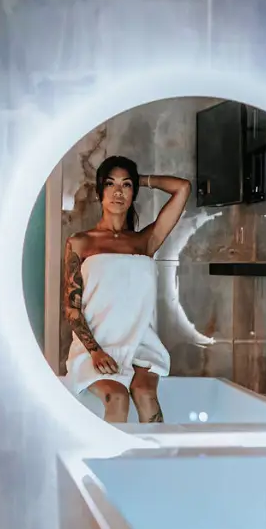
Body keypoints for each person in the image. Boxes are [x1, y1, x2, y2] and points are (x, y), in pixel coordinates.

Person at [63, 156, 191, 423]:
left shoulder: (145, 241)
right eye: (110, 184)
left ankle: (156, 451)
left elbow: (182, 188)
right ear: (99, 192)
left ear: (134, 193)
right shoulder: (80, 242)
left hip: (140, 342)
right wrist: (95, 351)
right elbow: (71, 308)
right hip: (95, 345)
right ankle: (113, 452)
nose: (118, 192)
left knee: (145, 394)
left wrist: (141, 179)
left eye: (126, 185)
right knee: (118, 397)